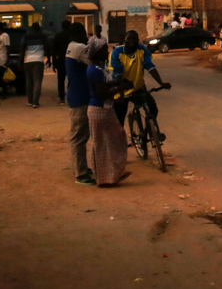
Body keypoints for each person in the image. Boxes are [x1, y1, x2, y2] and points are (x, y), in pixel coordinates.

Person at [85, 40, 130, 187]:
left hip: (99, 109)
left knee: (104, 143)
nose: (107, 52)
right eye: (105, 49)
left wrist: (117, 83)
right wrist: (120, 87)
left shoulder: (95, 68)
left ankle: (108, 176)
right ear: (97, 51)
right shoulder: (96, 70)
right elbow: (103, 93)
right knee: (114, 140)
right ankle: (108, 176)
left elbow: (103, 85)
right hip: (101, 109)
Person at [110, 30, 171, 128]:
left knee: (152, 109)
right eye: (129, 38)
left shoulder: (142, 50)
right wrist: (121, 93)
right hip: (121, 90)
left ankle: (150, 131)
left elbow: (150, 67)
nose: (132, 41)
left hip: (138, 88)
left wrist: (161, 83)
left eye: (135, 38)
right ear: (124, 40)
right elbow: (118, 73)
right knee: (119, 122)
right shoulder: (117, 52)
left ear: (138, 40)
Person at [64, 23, 95, 185]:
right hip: (81, 96)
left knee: (81, 135)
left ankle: (81, 167)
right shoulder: (80, 48)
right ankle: (80, 173)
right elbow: (95, 61)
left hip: (76, 94)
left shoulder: (71, 46)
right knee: (79, 137)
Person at [22, 22, 47, 107]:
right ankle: (35, 102)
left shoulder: (26, 37)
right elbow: (47, 48)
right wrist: (50, 60)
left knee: (29, 81)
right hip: (38, 60)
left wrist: (20, 61)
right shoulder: (43, 36)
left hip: (27, 61)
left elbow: (22, 49)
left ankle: (30, 100)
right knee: (37, 81)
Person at [51, 20, 71, 106]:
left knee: (60, 79)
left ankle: (62, 98)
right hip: (71, 59)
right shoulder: (72, 36)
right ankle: (71, 95)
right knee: (71, 79)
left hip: (61, 59)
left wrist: (54, 62)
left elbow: (54, 51)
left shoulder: (58, 36)